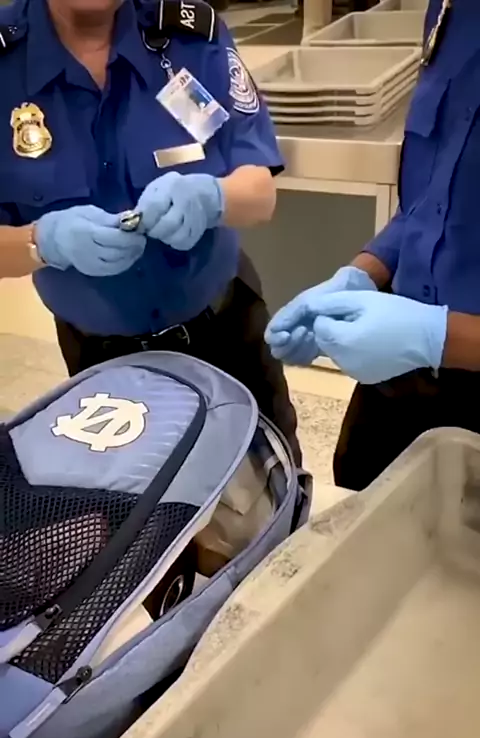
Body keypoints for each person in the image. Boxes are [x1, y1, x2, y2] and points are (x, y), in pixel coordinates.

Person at [0, 0, 301, 465]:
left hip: (225, 332)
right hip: (100, 359)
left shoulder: (188, 36)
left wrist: (213, 197)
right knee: (136, 500)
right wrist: (42, 241)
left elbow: (260, 193)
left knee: (269, 483)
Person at [266, 0, 480, 489]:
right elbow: (428, 202)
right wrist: (360, 274)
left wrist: (436, 335)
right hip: (397, 387)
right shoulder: (451, 14)